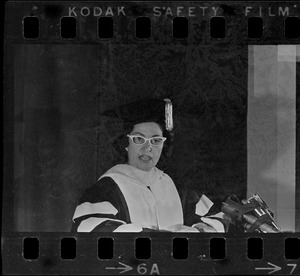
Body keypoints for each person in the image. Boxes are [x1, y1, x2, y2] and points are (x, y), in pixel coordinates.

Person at [71, 98, 226, 232]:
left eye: (156, 140)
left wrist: (198, 230)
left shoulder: (177, 189)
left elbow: (217, 219)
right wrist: (156, 237)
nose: (148, 148)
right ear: (126, 144)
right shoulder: (107, 189)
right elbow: (90, 228)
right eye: (139, 139)